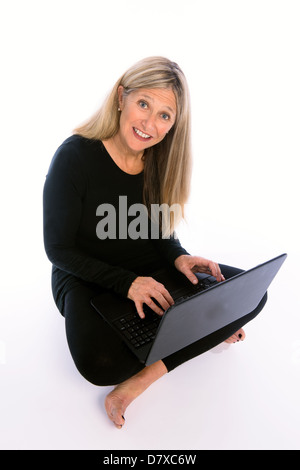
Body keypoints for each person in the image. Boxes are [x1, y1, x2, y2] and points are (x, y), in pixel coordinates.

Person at [43, 57, 267, 429]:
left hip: (149, 266)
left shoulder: (159, 159)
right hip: (84, 276)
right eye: (144, 103)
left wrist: (177, 257)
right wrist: (128, 284)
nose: (150, 123)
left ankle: (144, 378)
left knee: (251, 294)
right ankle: (201, 329)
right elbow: (59, 250)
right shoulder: (75, 156)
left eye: (165, 115)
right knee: (99, 365)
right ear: (121, 98)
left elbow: (157, 230)